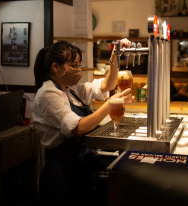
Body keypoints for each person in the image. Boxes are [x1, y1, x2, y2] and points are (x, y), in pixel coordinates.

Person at [32, 40, 132, 206]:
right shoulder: (47, 94)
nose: (78, 70)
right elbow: (79, 128)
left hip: (81, 165)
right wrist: (110, 105)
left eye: (79, 65)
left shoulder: (71, 89)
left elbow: (108, 84)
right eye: (74, 65)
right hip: (62, 171)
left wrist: (115, 57)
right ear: (55, 67)